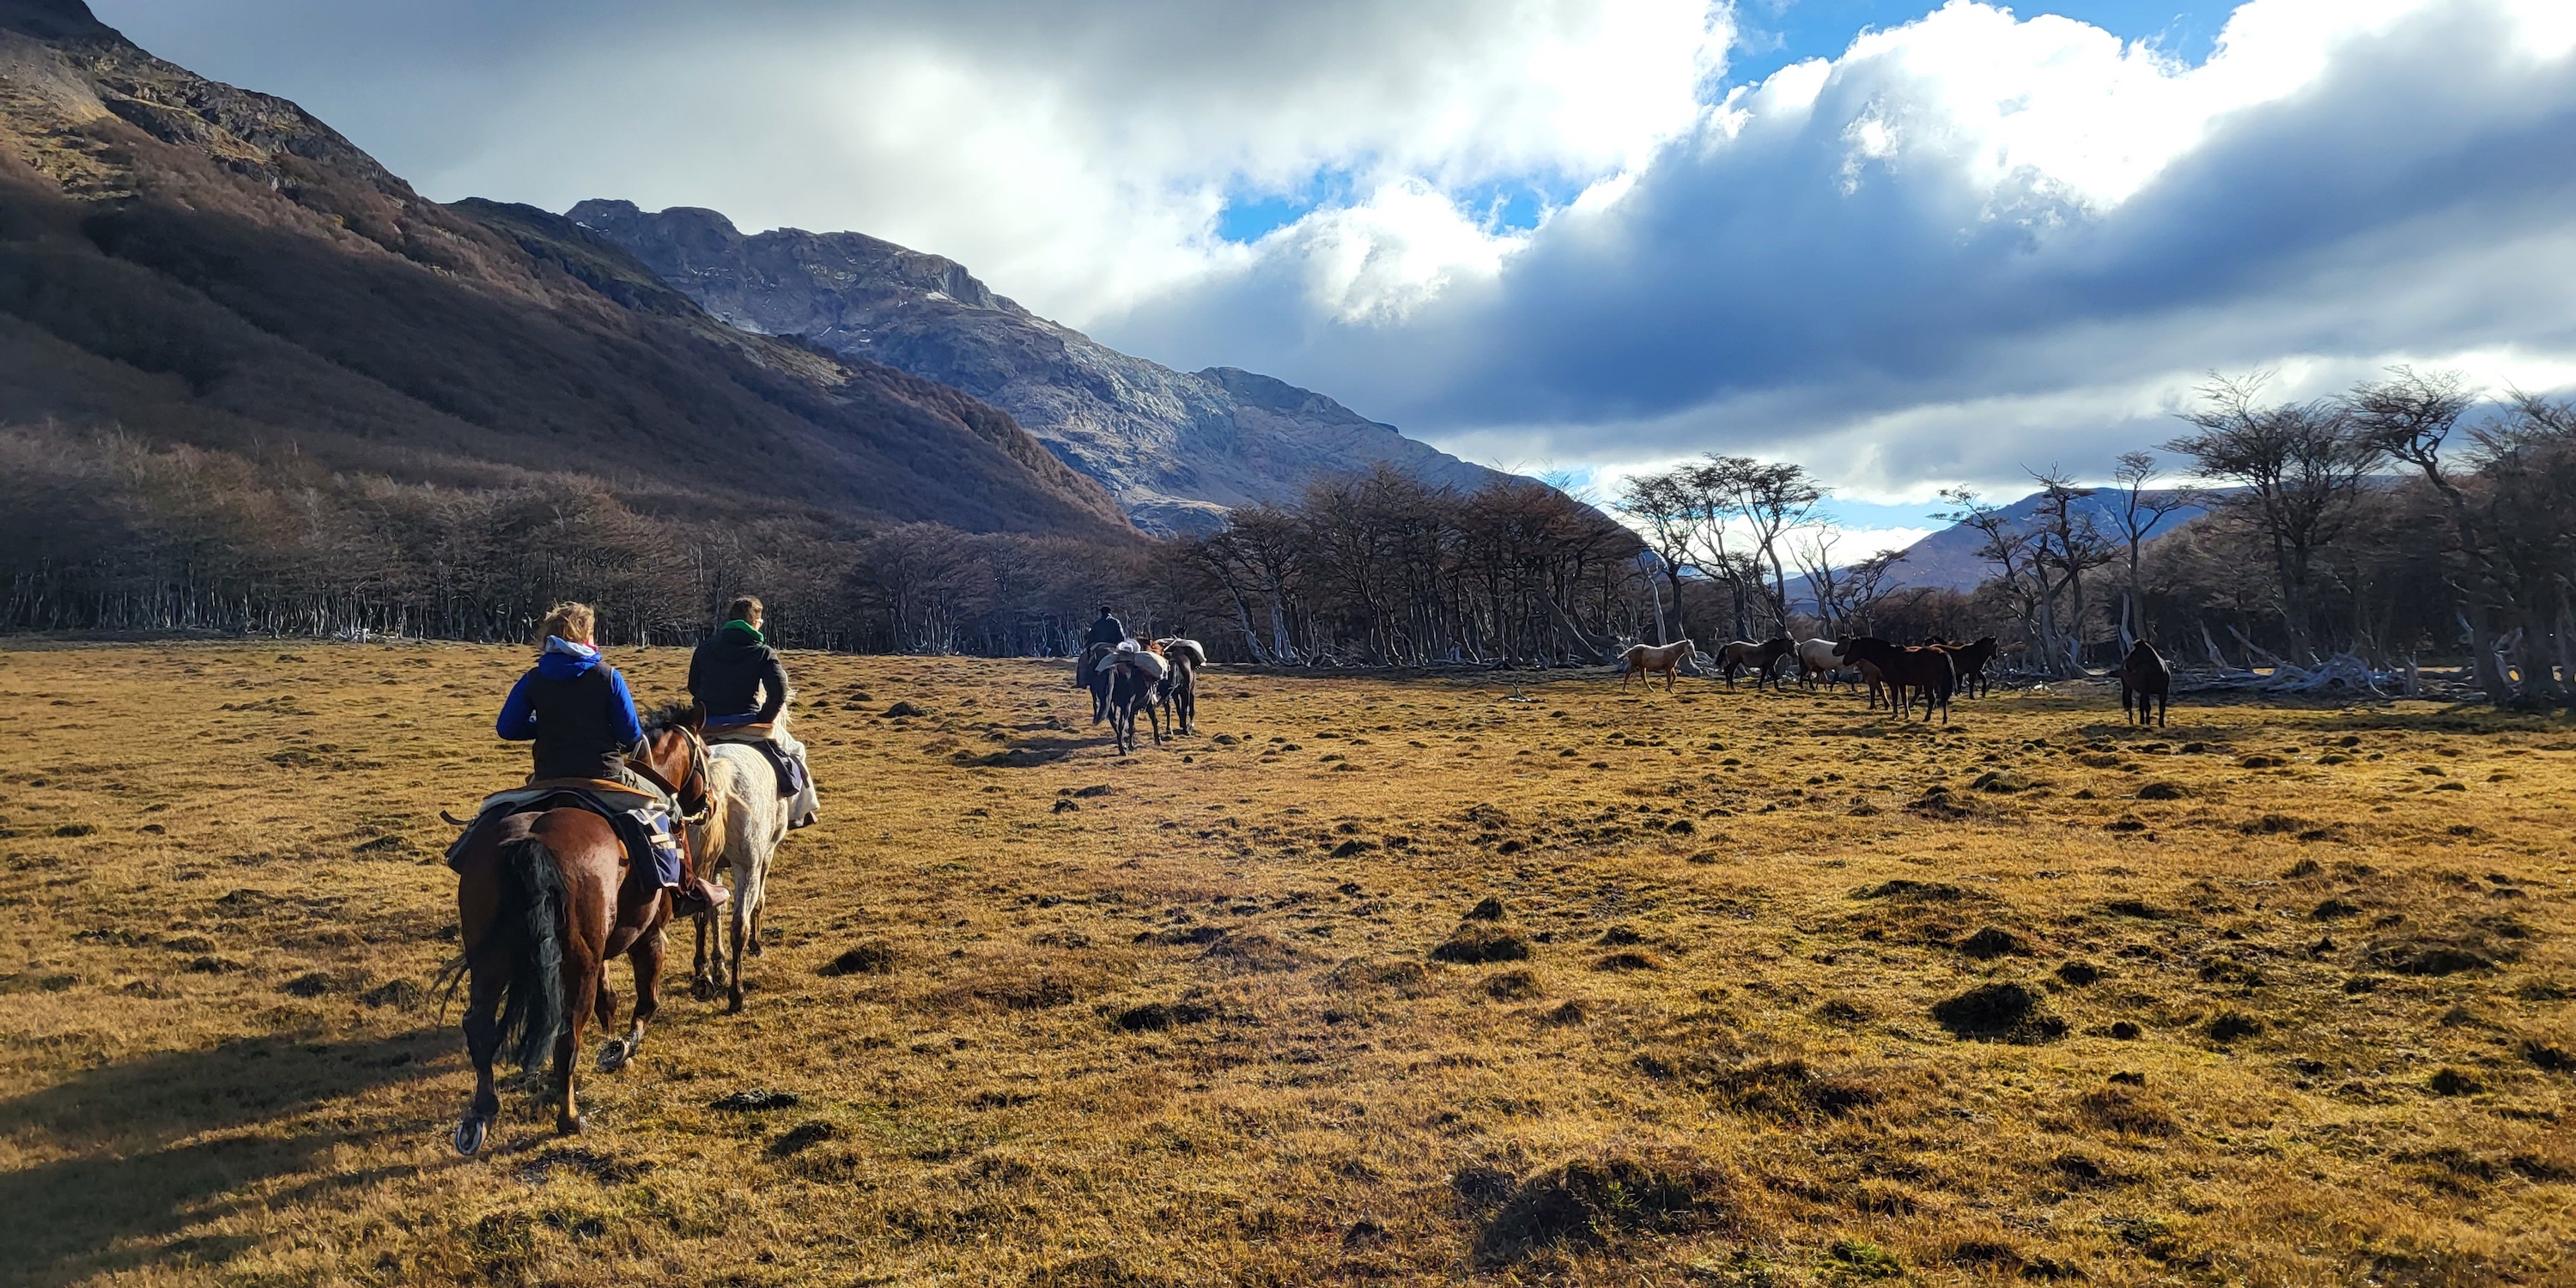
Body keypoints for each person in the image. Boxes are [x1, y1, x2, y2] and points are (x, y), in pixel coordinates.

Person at [496, 602, 727, 914]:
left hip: (548, 777)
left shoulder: (534, 677)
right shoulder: (607, 676)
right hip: (604, 776)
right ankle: (685, 888)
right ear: (584, 635)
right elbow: (632, 736)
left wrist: (549, 724)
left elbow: (507, 728)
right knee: (669, 807)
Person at [687, 595, 820, 829]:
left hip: (708, 725)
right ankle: (800, 812)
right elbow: (779, 691)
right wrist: (764, 719)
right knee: (795, 751)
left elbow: (693, 686)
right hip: (747, 722)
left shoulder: (705, 649)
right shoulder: (762, 651)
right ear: (756, 623)